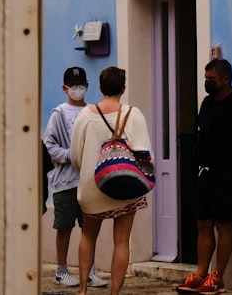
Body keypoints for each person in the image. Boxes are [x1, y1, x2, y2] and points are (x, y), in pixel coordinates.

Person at [176, 58, 232, 295]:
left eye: (211, 80)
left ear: (225, 79)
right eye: (206, 79)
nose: (207, 84)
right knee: (203, 222)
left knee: (223, 224)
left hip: (228, 175)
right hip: (205, 171)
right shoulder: (207, 103)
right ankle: (201, 273)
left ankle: (218, 277)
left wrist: (229, 159)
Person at [71, 66, 152, 295]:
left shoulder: (85, 115)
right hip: (125, 187)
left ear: (99, 87)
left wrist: (87, 172)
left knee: (88, 236)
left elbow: (75, 155)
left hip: (92, 186)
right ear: (123, 89)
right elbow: (144, 152)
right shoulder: (132, 114)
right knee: (122, 241)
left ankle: (83, 290)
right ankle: (114, 292)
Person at [42, 66, 109, 288]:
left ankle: (89, 271)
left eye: (81, 85)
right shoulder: (59, 113)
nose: (77, 89)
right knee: (64, 226)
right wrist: (72, 155)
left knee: (89, 227)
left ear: (87, 86)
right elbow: (50, 144)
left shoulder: (92, 111)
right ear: (65, 88)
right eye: (73, 86)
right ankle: (61, 271)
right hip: (65, 182)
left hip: (90, 181)